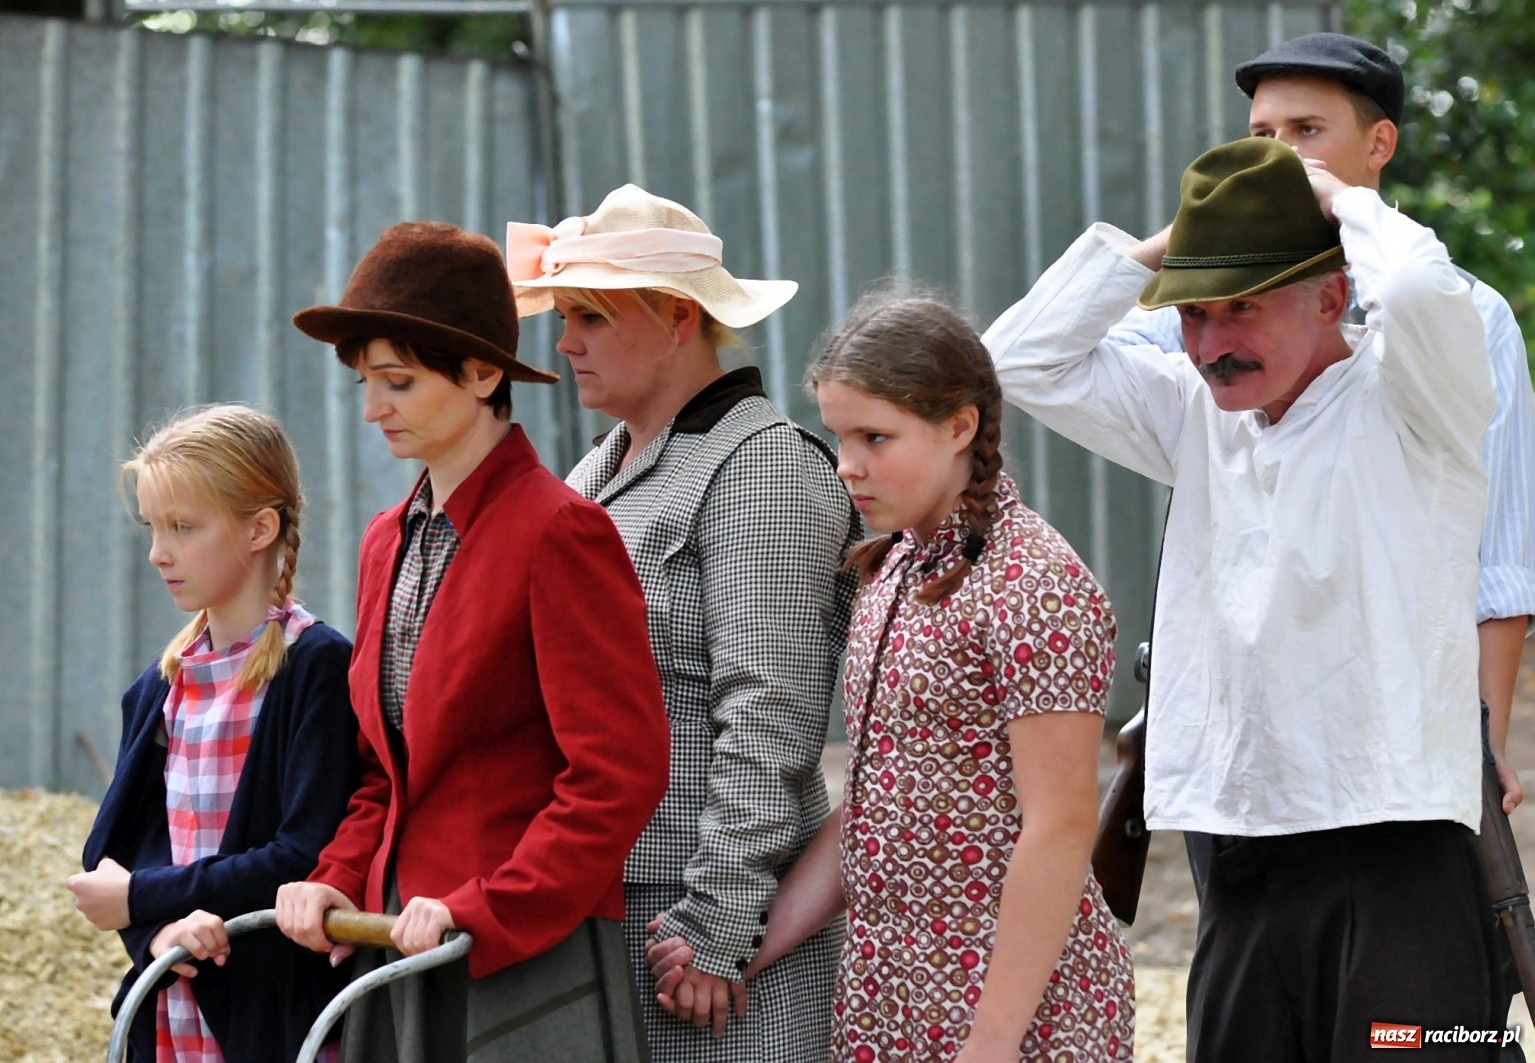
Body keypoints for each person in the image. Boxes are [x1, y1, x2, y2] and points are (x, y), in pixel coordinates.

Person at [987, 135, 1501, 1061]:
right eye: (1192, 314)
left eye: (1242, 309)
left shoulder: (1417, 400)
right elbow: (1016, 360)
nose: (1211, 345)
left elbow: (1422, 290)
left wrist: (1340, 198)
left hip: (1398, 859)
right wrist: (1181, 239)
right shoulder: (1190, 409)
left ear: (1332, 295)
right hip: (1240, 860)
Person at [655, 290, 1136, 1062]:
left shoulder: (1034, 584)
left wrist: (993, 1040)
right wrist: (748, 944)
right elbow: (877, 804)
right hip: (890, 999)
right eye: (840, 436)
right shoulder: (895, 567)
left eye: (875, 437)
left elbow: (1061, 827)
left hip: (1007, 1012)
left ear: (959, 425)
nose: (848, 465)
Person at [1106, 32, 1535, 818]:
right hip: (1245, 756)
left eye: (1306, 132)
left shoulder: (1461, 313)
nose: (1279, 157)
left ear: (1378, 145)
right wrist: (1194, 234)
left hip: (1390, 752)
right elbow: (1061, 352)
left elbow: (1500, 561)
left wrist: (1484, 744)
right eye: (1260, 138)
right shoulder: (1209, 310)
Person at [273, 221, 670, 1063]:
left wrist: (489, 907)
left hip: (523, 955)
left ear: (484, 373)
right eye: (367, 383)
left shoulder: (562, 532)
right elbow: (387, 769)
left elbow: (616, 774)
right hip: (396, 945)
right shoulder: (387, 538)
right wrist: (337, 874)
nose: (374, 407)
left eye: (400, 382)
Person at [505, 184, 858, 1062]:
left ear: (673, 316)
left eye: (589, 313)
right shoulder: (599, 467)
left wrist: (721, 919)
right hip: (609, 903)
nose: (563, 340)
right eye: (563, 312)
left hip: (698, 941)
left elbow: (771, 711)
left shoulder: (763, 465)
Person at [69, 403, 359, 1063]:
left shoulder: (316, 667)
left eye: (182, 526)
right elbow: (111, 852)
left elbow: (301, 852)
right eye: (152, 527)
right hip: (171, 1016)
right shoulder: (159, 686)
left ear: (260, 528)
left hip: (276, 1022)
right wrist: (163, 928)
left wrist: (145, 897)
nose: (157, 552)